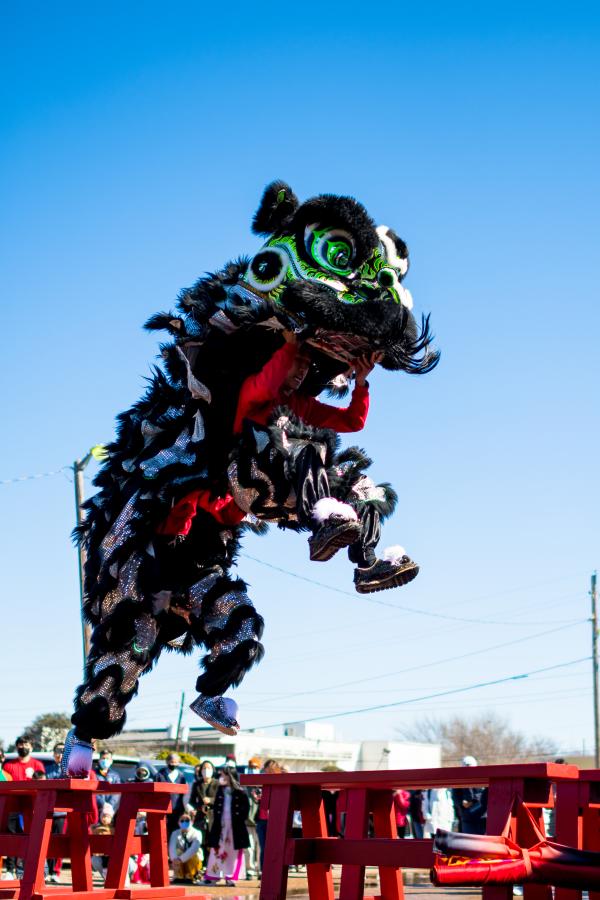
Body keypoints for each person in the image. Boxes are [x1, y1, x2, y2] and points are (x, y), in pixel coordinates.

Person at [3, 736, 45, 879]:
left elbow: (43, 784)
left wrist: (34, 778)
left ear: (31, 747)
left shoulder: (37, 765)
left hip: (31, 807)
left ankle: (27, 869)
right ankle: (9, 869)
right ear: (16, 747)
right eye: (20, 744)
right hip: (12, 806)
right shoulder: (8, 766)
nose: (23, 747)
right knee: (11, 836)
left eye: (26, 744)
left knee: (30, 837)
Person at [203, 767, 249, 886]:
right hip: (220, 825)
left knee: (233, 851)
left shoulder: (240, 791)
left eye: (224, 775)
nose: (221, 777)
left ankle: (231, 877)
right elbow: (217, 806)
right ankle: (213, 876)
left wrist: (239, 819)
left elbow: (245, 808)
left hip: (235, 827)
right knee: (217, 849)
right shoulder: (220, 790)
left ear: (230, 776)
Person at [188, 761, 218, 863]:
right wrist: (196, 809)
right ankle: (202, 864)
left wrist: (211, 800)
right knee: (201, 841)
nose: (206, 770)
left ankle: (212, 864)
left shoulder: (217, 783)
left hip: (213, 816)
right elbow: (192, 801)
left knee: (212, 841)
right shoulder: (197, 784)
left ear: (213, 770)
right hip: (200, 817)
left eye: (209, 768)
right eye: (204, 768)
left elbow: (220, 799)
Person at [451, 756, 487, 835]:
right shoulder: (458, 780)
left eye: (470, 767)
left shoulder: (482, 778)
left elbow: (486, 795)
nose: (468, 770)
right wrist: (462, 803)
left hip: (482, 817)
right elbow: (455, 796)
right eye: (466, 767)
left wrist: (473, 801)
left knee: (483, 842)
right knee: (468, 842)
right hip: (467, 818)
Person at [156, 753, 188, 838]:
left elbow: (184, 794)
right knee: (163, 833)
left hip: (177, 810)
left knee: (176, 833)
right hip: (163, 809)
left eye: (175, 762)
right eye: (171, 762)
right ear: (167, 762)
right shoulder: (160, 775)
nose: (173, 764)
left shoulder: (181, 776)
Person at [168, 813, 203, 884]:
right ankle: (179, 876)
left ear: (192, 822)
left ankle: (190, 875)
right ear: (178, 822)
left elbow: (194, 848)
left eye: (187, 820)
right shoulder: (175, 833)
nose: (184, 822)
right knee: (177, 852)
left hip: (193, 859)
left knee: (193, 853)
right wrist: (174, 859)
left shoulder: (197, 833)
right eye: (182, 820)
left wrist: (181, 859)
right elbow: (172, 847)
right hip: (178, 862)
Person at [244, 757, 262, 879]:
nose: (253, 770)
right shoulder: (245, 785)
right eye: (251, 767)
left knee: (260, 847)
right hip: (247, 821)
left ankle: (259, 869)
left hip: (260, 821)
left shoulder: (263, 784)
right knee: (249, 848)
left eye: (255, 767)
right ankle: (249, 870)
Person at [93, 750, 121, 822]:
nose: (105, 761)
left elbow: (117, 792)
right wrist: (103, 804)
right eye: (103, 758)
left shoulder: (115, 775)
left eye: (107, 758)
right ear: (99, 760)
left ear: (111, 760)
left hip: (111, 812)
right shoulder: (93, 774)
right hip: (96, 810)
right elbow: (92, 791)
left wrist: (110, 805)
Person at [91, 805, 115, 882]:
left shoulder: (113, 829)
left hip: (111, 851)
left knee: (110, 861)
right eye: (103, 816)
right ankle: (105, 875)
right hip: (101, 852)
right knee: (103, 862)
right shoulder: (96, 828)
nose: (105, 819)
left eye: (107, 817)